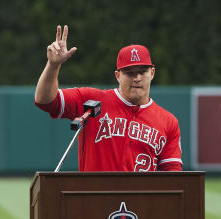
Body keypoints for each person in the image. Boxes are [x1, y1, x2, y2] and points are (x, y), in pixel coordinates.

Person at [34, 25, 182, 171]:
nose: (137, 78)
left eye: (142, 72)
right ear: (118, 76)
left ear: (152, 73)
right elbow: (45, 100)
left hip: (141, 196)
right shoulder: (91, 101)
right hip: (95, 195)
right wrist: (53, 66)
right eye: (130, 72)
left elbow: (174, 177)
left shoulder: (168, 122)